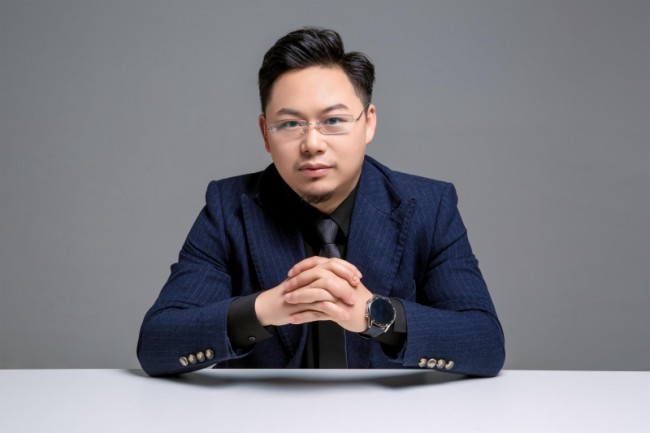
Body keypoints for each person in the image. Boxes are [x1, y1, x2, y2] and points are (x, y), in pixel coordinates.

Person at [137, 27, 505, 377]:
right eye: (290, 124)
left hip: (388, 414)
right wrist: (265, 308)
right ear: (265, 133)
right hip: (263, 413)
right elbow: (157, 342)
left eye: (333, 120)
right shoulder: (228, 207)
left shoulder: (429, 206)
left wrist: (374, 315)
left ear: (368, 123)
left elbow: (485, 343)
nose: (312, 144)